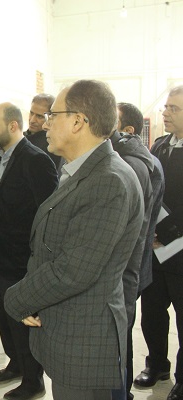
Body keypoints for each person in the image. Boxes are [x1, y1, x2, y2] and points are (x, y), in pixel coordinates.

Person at [4, 79, 144, 400]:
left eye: (53, 115)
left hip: (85, 342)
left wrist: (18, 298)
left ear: (79, 121)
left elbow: (73, 270)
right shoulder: (82, 171)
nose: (45, 124)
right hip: (68, 332)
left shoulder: (107, 180)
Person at [0, 102, 58, 400]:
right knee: (3, 313)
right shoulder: (2, 157)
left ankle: (33, 379)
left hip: (20, 257)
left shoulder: (35, 160)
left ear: (13, 126)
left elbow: (47, 214)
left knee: (23, 319)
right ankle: (16, 363)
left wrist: (37, 260)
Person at [114, 102, 165, 400]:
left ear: (128, 130)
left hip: (127, 268)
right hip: (132, 267)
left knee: (121, 336)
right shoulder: (136, 158)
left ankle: (122, 392)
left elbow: (133, 227)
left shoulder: (134, 164)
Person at [135, 85, 183, 400]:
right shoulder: (160, 145)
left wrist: (167, 232)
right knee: (152, 311)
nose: (165, 113)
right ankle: (156, 365)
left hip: (179, 247)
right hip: (154, 248)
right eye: (166, 107)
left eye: (173, 108)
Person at [24, 93, 62, 168]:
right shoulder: (21, 137)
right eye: (31, 113)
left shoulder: (51, 146)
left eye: (39, 116)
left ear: (50, 117)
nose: (32, 120)